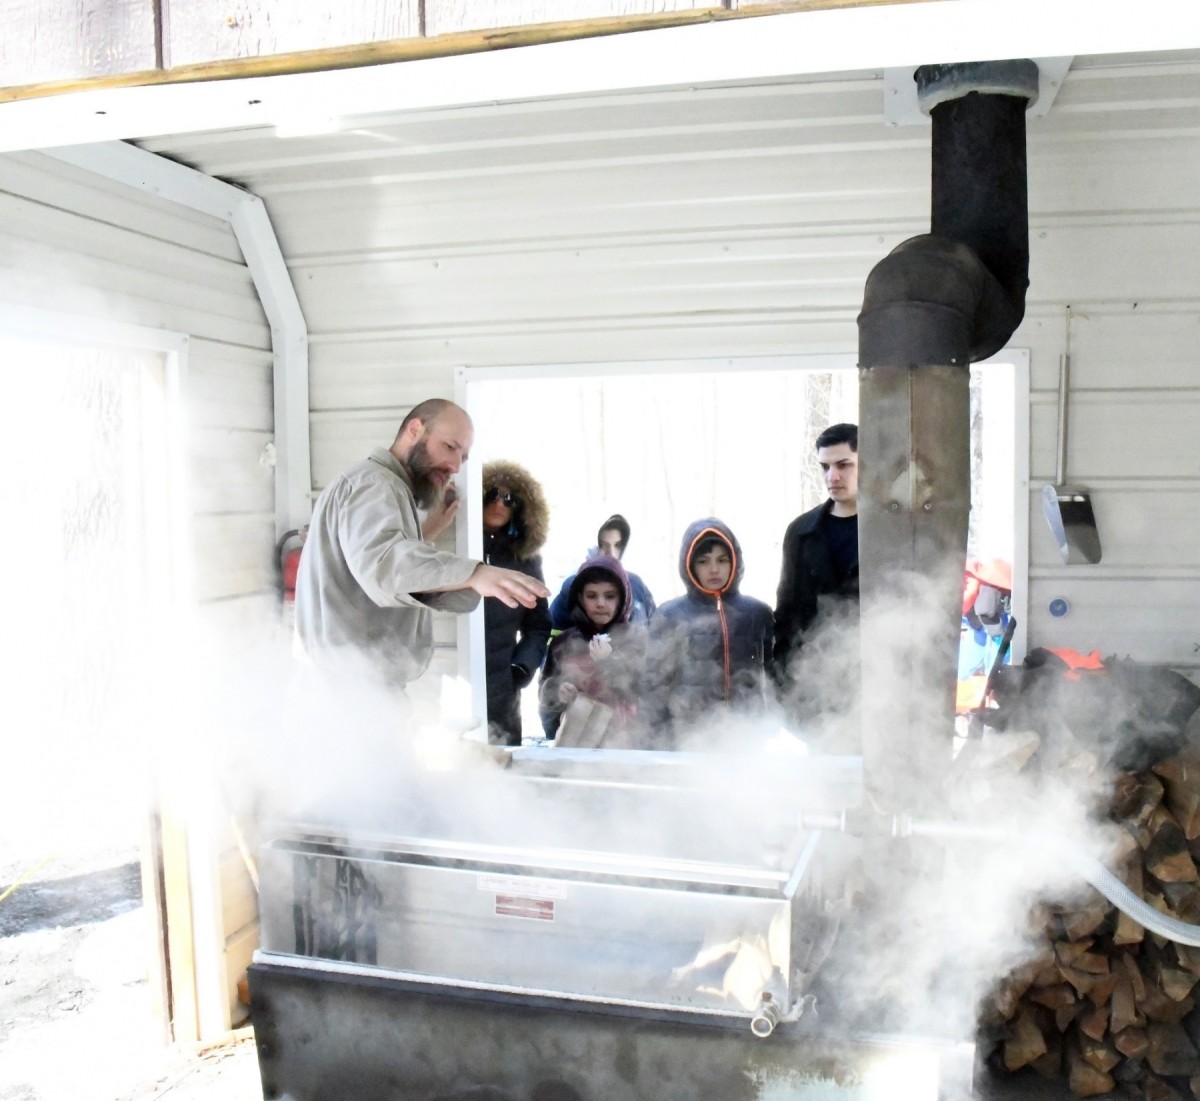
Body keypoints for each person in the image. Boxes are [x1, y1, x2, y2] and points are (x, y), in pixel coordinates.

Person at [294, 399, 548, 695]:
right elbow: (384, 564)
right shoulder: (375, 485)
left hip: (356, 688)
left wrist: (428, 535)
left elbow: (377, 563)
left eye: (463, 458)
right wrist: (474, 573)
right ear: (415, 429)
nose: (454, 466)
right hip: (349, 692)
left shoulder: (385, 486)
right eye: (450, 447)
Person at [644, 519, 774, 746]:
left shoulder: (757, 613)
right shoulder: (669, 615)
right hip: (688, 737)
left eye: (722, 560)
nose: (714, 569)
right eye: (703, 561)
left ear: (735, 561)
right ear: (689, 565)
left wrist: (768, 727)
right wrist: (659, 741)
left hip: (746, 736)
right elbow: (654, 685)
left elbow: (773, 677)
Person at [772, 423, 860, 696]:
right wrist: (782, 682)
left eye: (844, 465)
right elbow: (788, 611)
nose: (833, 476)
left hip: (872, 683)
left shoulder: (889, 531)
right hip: (812, 682)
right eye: (825, 467)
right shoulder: (801, 532)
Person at [538, 554, 646, 747]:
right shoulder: (564, 642)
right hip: (576, 741)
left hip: (626, 746)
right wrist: (558, 690)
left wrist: (609, 663)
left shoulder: (637, 640)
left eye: (610, 596)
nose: (601, 603)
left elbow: (645, 694)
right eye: (592, 596)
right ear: (580, 597)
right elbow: (545, 690)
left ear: (623, 598)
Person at [481, 460, 553, 746]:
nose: (499, 503)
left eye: (509, 498)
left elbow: (538, 627)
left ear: (520, 508)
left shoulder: (525, 561)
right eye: (491, 494)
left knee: (501, 779)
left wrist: (521, 669)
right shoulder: (456, 548)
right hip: (454, 688)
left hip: (503, 693)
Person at [548, 514, 656, 628]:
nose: (611, 553)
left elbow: (655, 631)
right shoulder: (573, 585)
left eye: (617, 545)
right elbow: (553, 632)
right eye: (604, 545)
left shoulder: (637, 585)